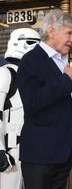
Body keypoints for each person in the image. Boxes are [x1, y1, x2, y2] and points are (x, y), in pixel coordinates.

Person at [16, 9, 72, 189]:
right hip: (39, 155)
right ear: (51, 31)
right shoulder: (30, 60)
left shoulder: (65, 61)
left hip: (63, 154)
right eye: (69, 33)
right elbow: (33, 103)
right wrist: (67, 79)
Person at [0, 28, 40, 189]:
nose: (35, 48)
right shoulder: (5, 73)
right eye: (31, 43)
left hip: (34, 149)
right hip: (12, 149)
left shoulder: (35, 76)